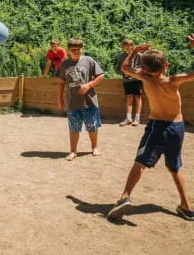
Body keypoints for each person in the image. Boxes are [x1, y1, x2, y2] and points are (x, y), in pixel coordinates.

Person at [107, 38, 194, 221]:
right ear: (166, 65)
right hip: (177, 128)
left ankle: (124, 196)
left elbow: (124, 68)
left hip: (157, 127)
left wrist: (134, 51)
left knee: (140, 162)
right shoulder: (174, 80)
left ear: (144, 68)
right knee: (175, 167)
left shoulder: (144, 78)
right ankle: (186, 206)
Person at [57, 38, 105, 161]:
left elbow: (101, 75)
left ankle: (95, 147)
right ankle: (73, 151)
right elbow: (61, 83)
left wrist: (89, 85)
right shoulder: (64, 64)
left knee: (92, 126)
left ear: (82, 49)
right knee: (73, 128)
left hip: (88, 101)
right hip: (72, 102)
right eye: (73, 50)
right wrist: (60, 99)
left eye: (78, 49)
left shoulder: (89, 61)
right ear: (68, 50)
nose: (76, 52)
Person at [115, 39, 143, 126]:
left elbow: (144, 68)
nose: (127, 47)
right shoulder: (121, 57)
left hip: (137, 80)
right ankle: (128, 118)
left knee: (138, 98)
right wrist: (124, 73)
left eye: (129, 45)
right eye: (125, 46)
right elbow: (117, 69)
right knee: (129, 98)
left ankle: (137, 118)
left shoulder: (139, 55)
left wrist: (137, 72)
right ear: (123, 47)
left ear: (133, 46)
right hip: (127, 80)